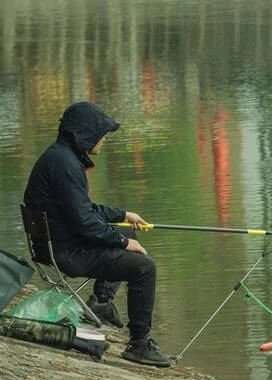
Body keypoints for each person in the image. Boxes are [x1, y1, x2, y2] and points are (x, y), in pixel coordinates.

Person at [23, 101, 171, 368]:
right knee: (144, 267)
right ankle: (139, 344)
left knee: (128, 239)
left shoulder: (60, 158)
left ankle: (102, 301)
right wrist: (124, 242)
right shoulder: (65, 166)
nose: (104, 139)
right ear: (84, 134)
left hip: (55, 246)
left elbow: (83, 210)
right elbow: (85, 223)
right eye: (101, 134)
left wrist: (123, 215)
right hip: (67, 253)